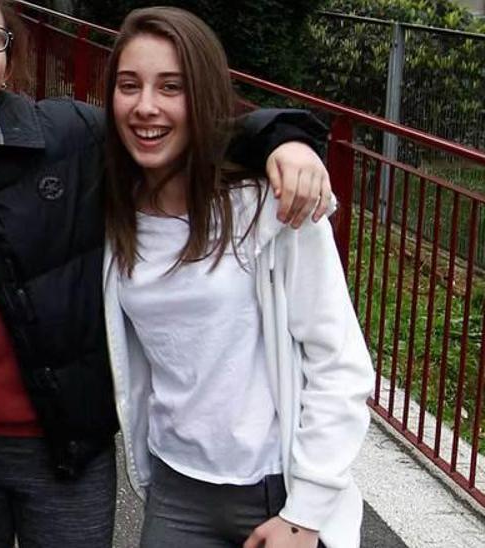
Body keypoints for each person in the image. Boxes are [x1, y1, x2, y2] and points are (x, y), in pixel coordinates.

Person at [0, 0, 336, 546]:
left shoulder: (67, 139)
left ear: (7, 66)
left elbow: (187, 126)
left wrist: (286, 139)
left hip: (67, 450)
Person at [101, 8, 373, 548]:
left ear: (201, 98)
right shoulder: (112, 212)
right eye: (129, 86)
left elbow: (339, 363)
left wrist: (306, 513)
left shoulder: (268, 210)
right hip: (175, 492)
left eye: (170, 87)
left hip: (277, 494)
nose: (146, 106)